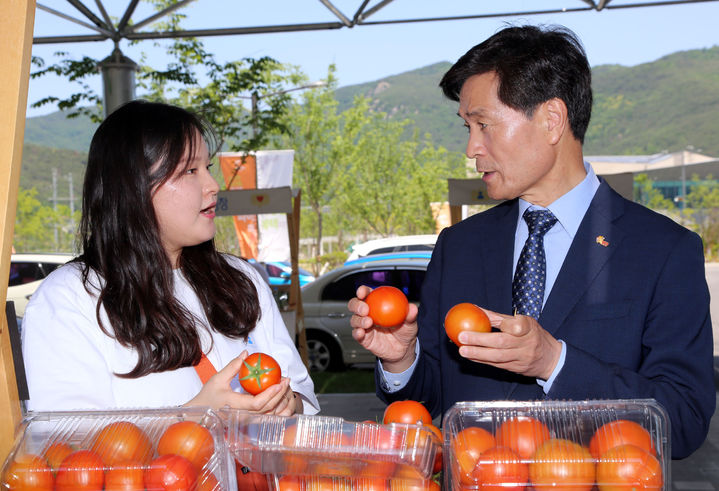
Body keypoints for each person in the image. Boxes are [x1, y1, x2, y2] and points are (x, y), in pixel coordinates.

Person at [348, 25, 715, 459]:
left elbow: (685, 420)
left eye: (483, 124)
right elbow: (432, 398)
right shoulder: (459, 246)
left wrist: (555, 363)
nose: (471, 148)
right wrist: (401, 359)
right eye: (467, 127)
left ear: (551, 120)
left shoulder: (663, 250)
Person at [22, 100, 319, 416]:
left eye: (208, 168)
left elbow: (303, 398)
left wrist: (287, 405)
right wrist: (195, 415)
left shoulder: (240, 278)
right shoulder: (70, 299)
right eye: (190, 170)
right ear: (133, 188)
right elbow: (65, 442)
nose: (212, 186)